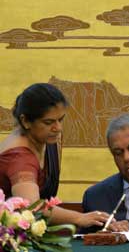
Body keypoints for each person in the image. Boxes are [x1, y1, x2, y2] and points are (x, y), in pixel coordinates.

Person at [0, 83, 109, 228]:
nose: (58, 128)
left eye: (61, 120)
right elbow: (33, 208)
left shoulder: (45, 138)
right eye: (49, 122)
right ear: (25, 121)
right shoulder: (20, 158)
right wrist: (79, 218)